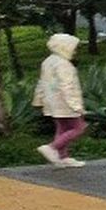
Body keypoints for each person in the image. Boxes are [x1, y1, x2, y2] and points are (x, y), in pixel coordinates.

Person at [33, 32, 88, 168]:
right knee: (78, 127)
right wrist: (76, 106)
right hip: (65, 102)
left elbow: (42, 82)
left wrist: (38, 99)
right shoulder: (64, 64)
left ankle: (62, 157)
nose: (74, 51)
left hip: (52, 102)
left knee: (62, 128)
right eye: (73, 48)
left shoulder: (48, 61)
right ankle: (52, 147)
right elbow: (67, 86)